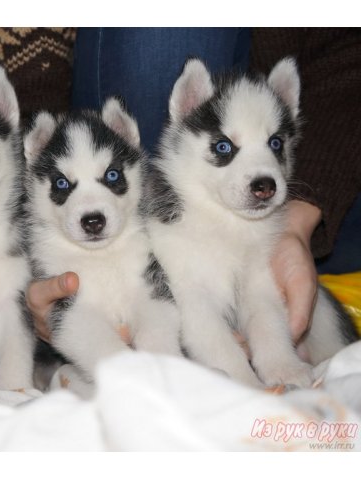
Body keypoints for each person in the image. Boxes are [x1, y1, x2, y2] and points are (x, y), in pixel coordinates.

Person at [26, 28, 361, 351]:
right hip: (136, 181)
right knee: (160, 38)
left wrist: (300, 222)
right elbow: (33, 132)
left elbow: (347, 53)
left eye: (274, 143)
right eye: (226, 148)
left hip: (335, 168)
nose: (262, 177)